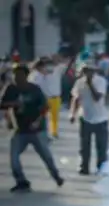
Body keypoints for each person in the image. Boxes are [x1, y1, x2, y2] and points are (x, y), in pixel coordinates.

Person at [1, 63, 65, 192]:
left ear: (26, 76)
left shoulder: (34, 89)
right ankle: (21, 181)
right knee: (14, 158)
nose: (17, 78)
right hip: (20, 130)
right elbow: (2, 104)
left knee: (46, 156)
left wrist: (38, 121)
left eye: (20, 75)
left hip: (37, 130)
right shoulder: (11, 89)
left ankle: (56, 176)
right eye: (15, 75)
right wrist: (13, 104)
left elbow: (45, 107)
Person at [69, 61, 109, 175]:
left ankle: (101, 167)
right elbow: (76, 99)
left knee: (101, 146)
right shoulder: (79, 82)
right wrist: (73, 113)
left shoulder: (101, 81)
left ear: (94, 71)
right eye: (85, 71)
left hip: (100, 118)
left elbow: (97, 97)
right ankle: (84, 167)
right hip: (85, 117)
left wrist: (90, 84)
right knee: (84, 146)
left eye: (89, 71)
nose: (87, 73)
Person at [28, 57, 64, 138]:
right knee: (42, 117)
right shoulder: (37, 74)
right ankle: (42, 133)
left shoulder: (57, 70)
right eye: (46, 64)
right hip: (45, 98)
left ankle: (54, 132)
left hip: (55, 97)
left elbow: (62, 64)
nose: (48, 66)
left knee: (54, 117)